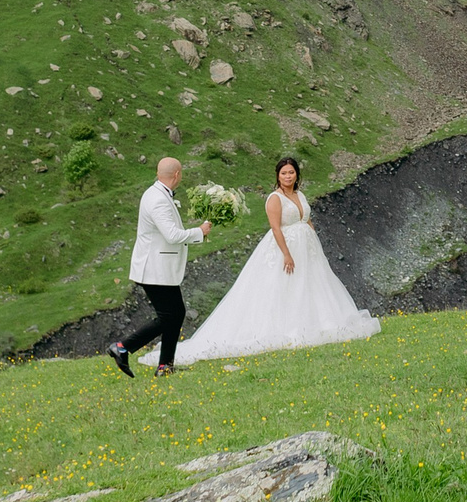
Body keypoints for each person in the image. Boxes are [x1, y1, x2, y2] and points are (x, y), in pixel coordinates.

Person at [166, 154, 380, 363]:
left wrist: (317, 245)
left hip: (307, 248)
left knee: (313, 283)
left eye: (291, 172)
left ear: (297, 175)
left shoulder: (301, 195)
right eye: (284, 173)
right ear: (278, 176)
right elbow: (276, 228)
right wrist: (286, 253)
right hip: (285, 246)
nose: (288, 176)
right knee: (284, 284)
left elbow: (307, 220)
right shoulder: (275, 198)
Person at [108, 156, 209, 379]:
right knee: (168, 316)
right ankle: (123, 347)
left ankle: (165, 366)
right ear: (177, 175)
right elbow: (172, 235)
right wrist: (199, 231)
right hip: (154, 268)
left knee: (176, 313)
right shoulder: (158, 199)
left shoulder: (156, 194)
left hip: (157, 267)